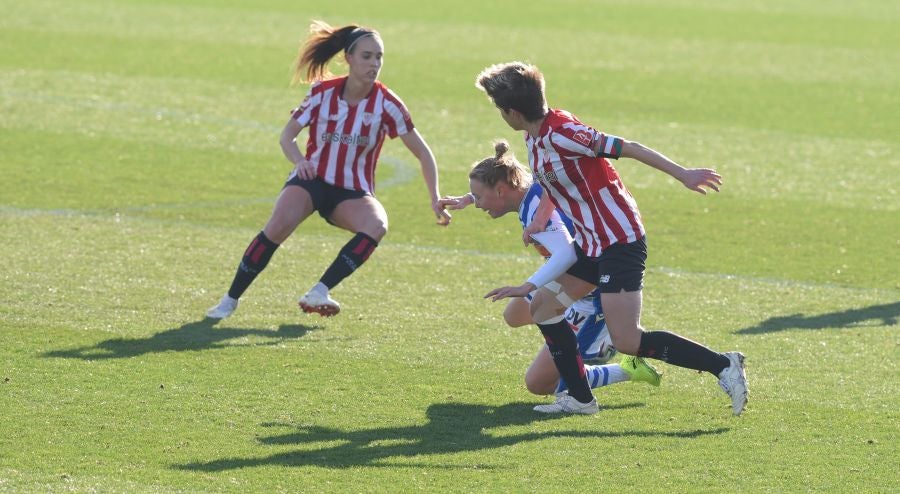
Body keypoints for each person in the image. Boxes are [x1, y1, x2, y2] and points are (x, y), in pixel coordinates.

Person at [473, 61, 748, 415]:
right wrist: (540, 215)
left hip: (619, 242)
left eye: (498, 108)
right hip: (590, 245)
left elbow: (627, 146)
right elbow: (552, 180)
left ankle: (723, 365)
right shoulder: (534, 137)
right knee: (543, 307)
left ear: (511, 111)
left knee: (627, 339)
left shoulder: (563, 132)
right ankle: (580, 398)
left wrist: (683, 174)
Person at [206, 21, 450, 319]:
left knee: (377, 225)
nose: (374, 63)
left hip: (352, 192)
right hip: (311, 181)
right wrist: (300, 162)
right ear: (348, 58)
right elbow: (287, 137)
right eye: (367, 56)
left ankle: (320, 291)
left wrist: (435, 196)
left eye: (379, 57)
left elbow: (424, 153)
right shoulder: (322, 93)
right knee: (278, 226)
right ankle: (229, 301)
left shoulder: (388, 103)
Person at [439, 141, 662, 408]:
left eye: (479, 197)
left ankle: (623, 364)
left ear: (500, 190)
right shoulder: (527, 190)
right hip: (569, 278)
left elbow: (568, 255)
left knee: (538, 384)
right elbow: (501, 192)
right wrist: (468, 198)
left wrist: (527, 285)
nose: (477, 205)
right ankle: (569, 341)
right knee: (514, 315)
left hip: (591, 294)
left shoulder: (537, 213)